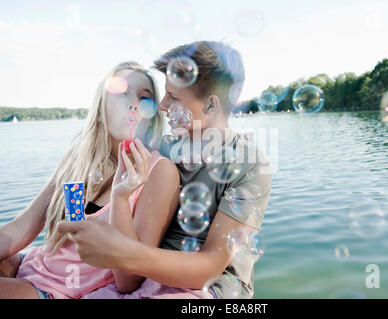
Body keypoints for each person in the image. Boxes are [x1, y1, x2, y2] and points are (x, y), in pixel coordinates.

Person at [58, 41, 273, 299]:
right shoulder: (162, 150)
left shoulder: (250, 164)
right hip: (147, 278)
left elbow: (210, 267)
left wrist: (121, 252)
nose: (161, 105)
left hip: (210, 290)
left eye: (173, 97)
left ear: (211, 106)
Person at [0, 61, 183, 298]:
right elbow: (23, 227)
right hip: (31, 265)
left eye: (144, 97)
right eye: (121, 92)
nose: (133, 103)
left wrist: (120, 196)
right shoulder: (79, 158)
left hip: (56, 289)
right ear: (101, 106)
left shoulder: (159, 172)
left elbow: (128, 281)